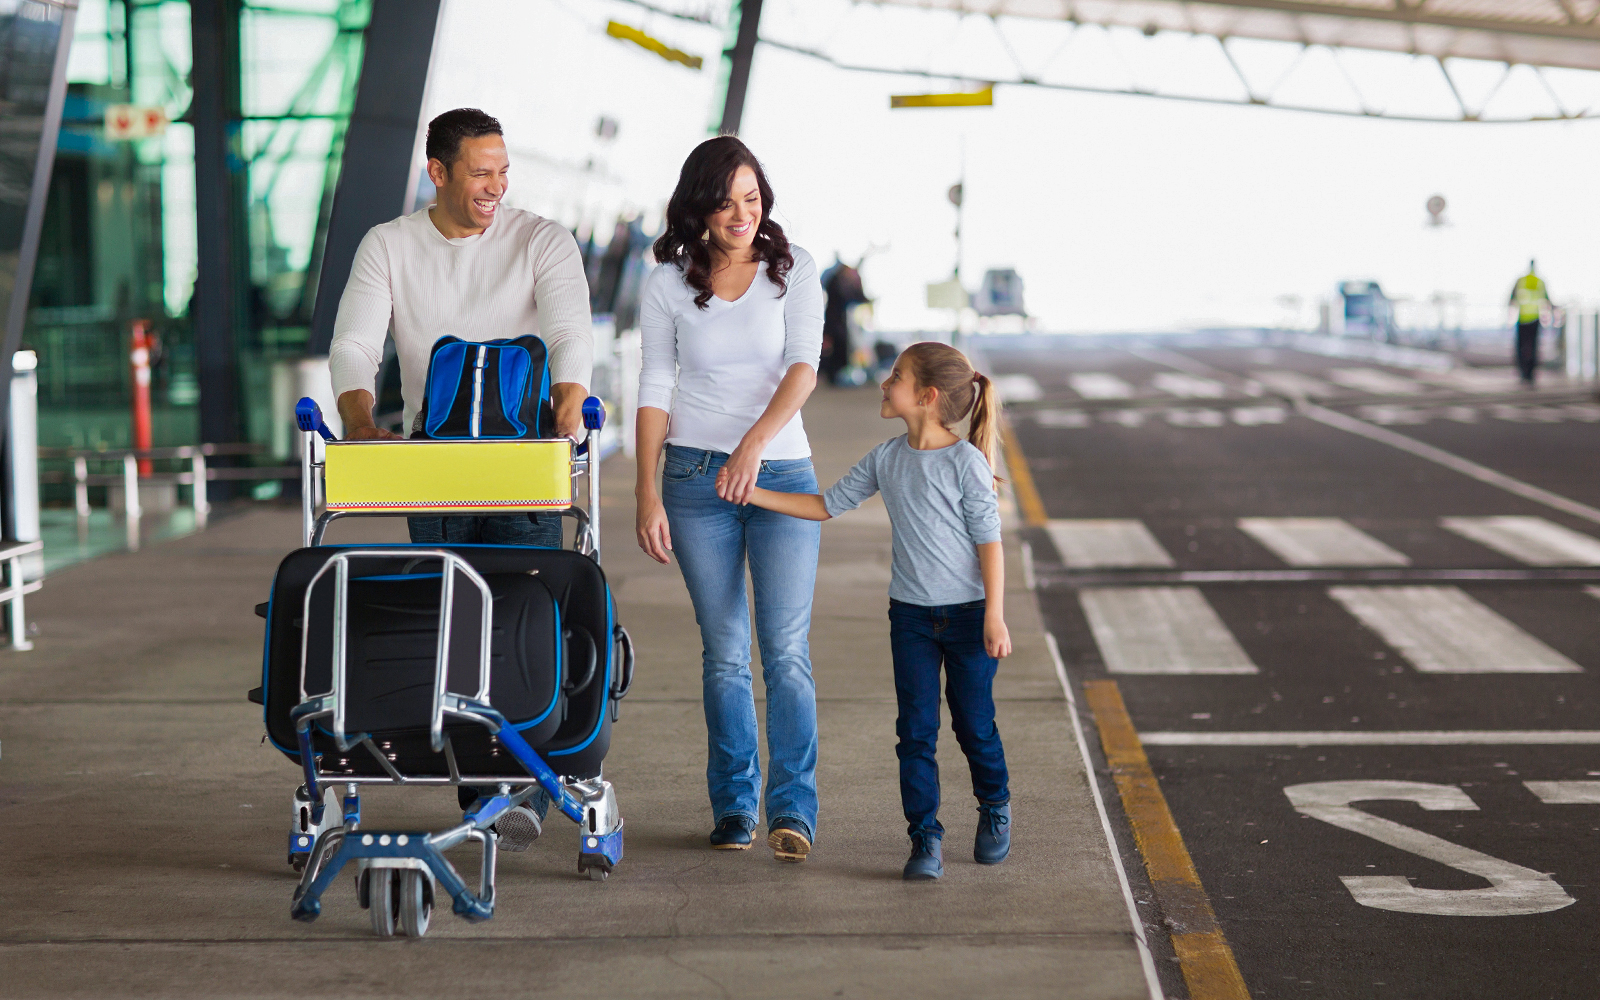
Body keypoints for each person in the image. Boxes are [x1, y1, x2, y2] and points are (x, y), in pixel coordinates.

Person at [327, 107, 593, 850]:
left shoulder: (541, 239)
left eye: (503, 172)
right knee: (457, 621)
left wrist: (571, 389)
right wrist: (358, 415)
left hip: (524, 465)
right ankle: (488, 784)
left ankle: (520, 785)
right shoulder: (389, 245)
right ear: (438, 172)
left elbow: (570, 328)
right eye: (481, 172)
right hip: (436, 468)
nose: (496, 186)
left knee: (527, 614)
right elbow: (354, 343)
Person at [744, 342, 1013, 881]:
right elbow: (825, 505)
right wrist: (751, 493)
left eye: (896, 377)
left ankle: (995, 805)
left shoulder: (966, 464)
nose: (884, 384)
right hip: (910, 618)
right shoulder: (887, 458)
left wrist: (995, 616)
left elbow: (990, 543)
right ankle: (925, 837)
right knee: (915, 731)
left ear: (927, 397)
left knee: (973, 725)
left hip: (967, 618)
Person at [635, 136, 825, 862]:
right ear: (700, 209)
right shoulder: (668, 282)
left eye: (752, 198)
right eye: (726, 201)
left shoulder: (794, 270)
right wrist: (646, 490)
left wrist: (753, 445)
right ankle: (735, 805)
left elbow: (804, 367)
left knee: (785, 652)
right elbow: (655, 386)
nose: (742, 213)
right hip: (693, 483)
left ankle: (793, 810)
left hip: (780, 477)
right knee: (724, 655)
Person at [1509, 260, 1551, 385]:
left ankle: (1523, 374)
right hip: (1535, 319)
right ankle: (1531, 375)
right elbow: (1547, 299)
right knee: (1533, 347)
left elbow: (1512, 298)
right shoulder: (1540, 281)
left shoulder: (1521, 280)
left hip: (1522, 318)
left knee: (1521, 347)